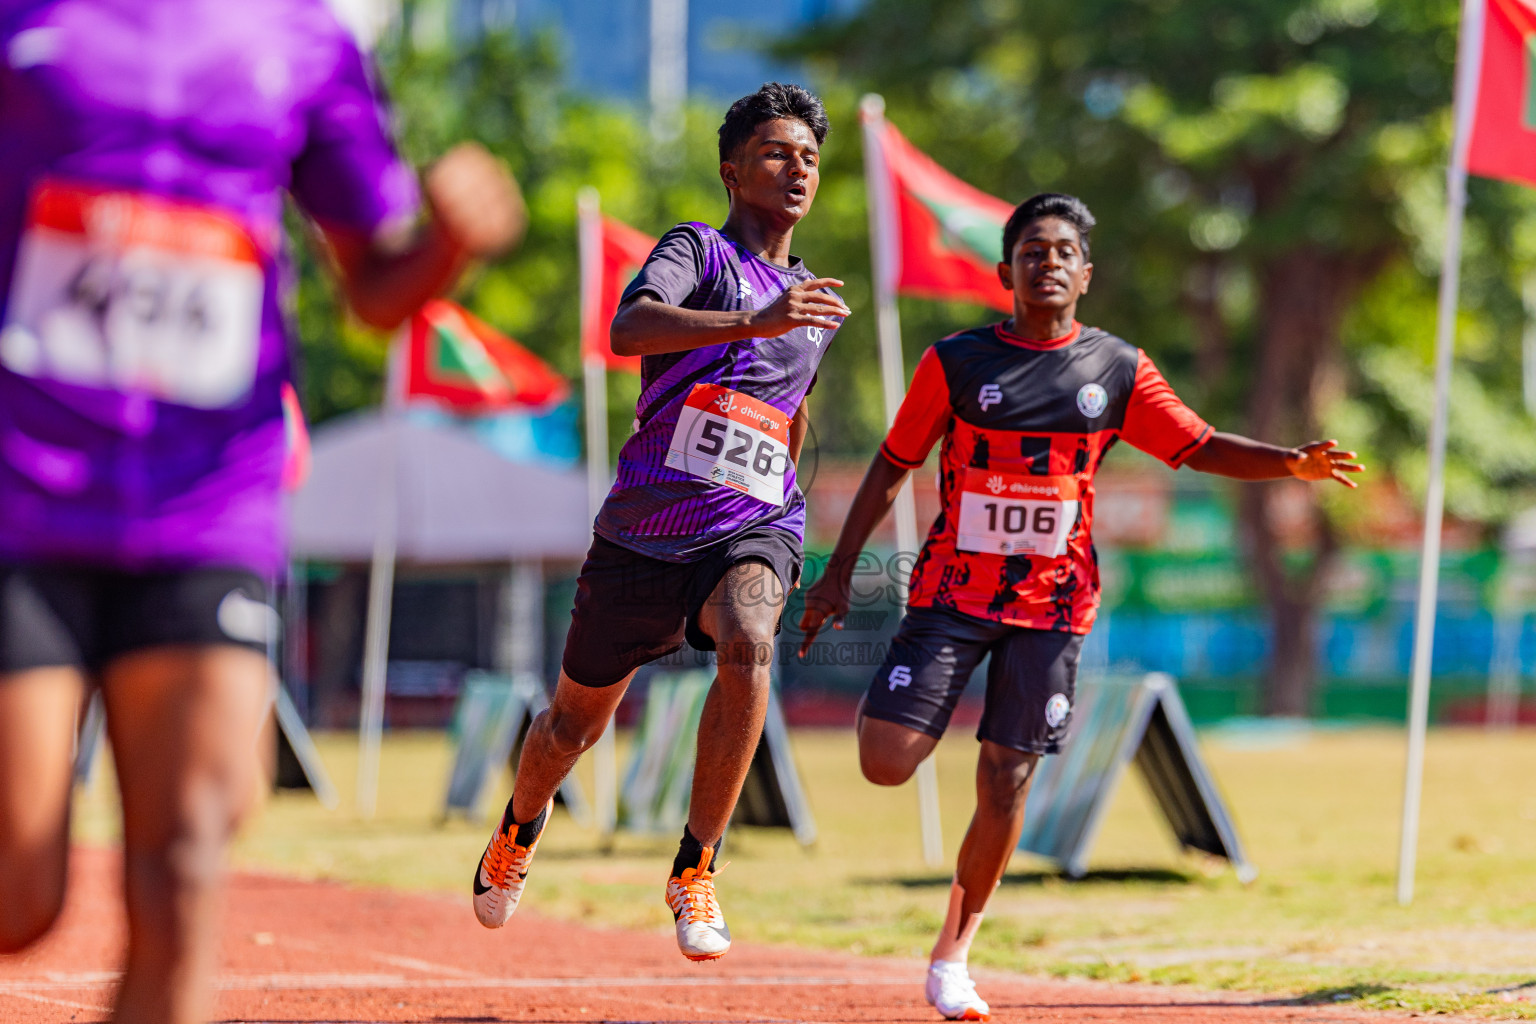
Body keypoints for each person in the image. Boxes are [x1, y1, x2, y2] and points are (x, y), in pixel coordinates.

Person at [0, 4, 523, 1023]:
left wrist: (448, 244)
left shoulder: (304, 38)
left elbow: (373, 282)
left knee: (189, 850)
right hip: (24, 489)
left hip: (209, 497)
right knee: (18, 896)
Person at [799, 193, 1361, 1021]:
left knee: (1008, 774)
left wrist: (1290, 464)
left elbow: (1199, 446)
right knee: (884, 759)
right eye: (1033, 249)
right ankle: (935, 734)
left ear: (1085, 274)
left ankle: (953, 957)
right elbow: (890, 465)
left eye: (1064, 250)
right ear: (1006, 272)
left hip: (1052, 606)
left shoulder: (1118, 369)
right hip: (953, 595)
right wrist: (839, 571)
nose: (1049, 261)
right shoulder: (955, 363)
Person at [472, 82, 847, 962]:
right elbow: (628, 327)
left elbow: (785, 410)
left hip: (753, 524)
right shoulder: (700, 251)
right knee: (572, 726)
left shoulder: (813, 300)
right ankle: (519, 832)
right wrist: (755, 318)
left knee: (752, 640)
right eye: (776, 155)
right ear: (732, 170)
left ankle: (696, 866)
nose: (798, 171)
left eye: (811, 160)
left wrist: (790, 495)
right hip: (646, 529)